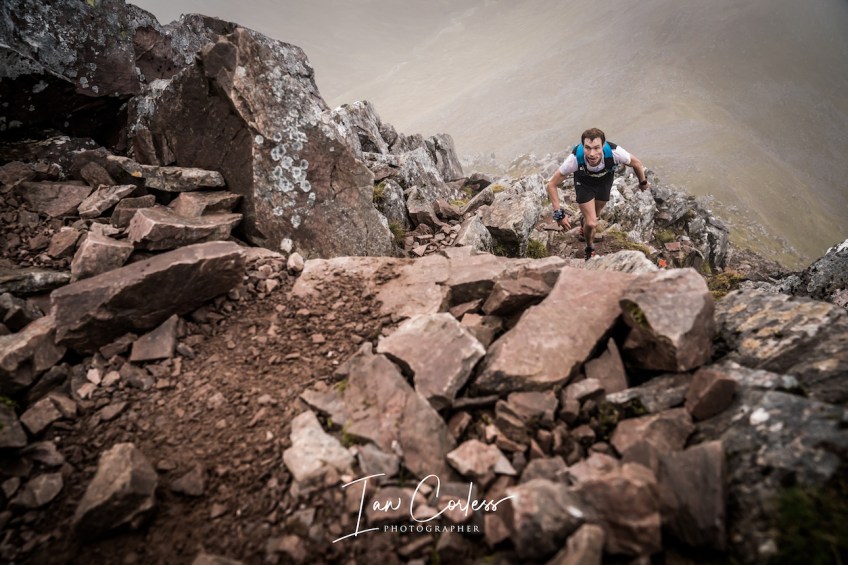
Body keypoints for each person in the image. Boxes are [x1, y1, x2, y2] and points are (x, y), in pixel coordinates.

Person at [546, 128, 650, 260]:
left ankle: (584, 223)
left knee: (596, 214)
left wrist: (643, 182)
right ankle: (589, 247)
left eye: (596, 148)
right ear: (583, 146)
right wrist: (558, 214)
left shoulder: (615, 153)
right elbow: (551, 184)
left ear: (603, 145)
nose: (592, 154)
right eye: (587, 148)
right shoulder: (574, 159)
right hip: (584, 182)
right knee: (592, 223)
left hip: (604, 182)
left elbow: (637, 163)